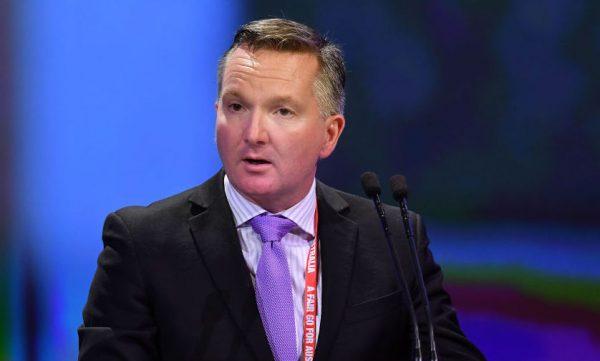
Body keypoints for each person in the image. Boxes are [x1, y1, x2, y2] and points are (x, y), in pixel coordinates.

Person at [78, 18, 485, 361]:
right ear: (217, 113)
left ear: (330, 134)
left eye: (282, 111)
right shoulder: (144, 243)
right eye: (237, 107)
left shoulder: (392, 239)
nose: (254, 134)